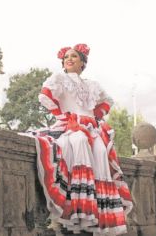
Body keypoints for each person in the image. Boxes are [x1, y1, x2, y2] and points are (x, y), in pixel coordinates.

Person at [34, 44, 133, 235]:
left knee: (101, 151)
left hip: (91, 126)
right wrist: (62, 116)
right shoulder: (59, 79)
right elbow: (44, 96)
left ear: (82, 62)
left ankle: (99, 214)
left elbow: (107, 101)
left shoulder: (92, 85)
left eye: (74, 57)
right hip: (71, 125)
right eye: (66, 57)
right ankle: (76, 211)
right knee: (78, 142)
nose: (69, 59)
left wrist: (97, 115)